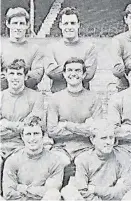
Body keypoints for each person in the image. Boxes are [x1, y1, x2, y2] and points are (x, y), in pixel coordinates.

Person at [47, 57, 103, 166]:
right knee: (56, 163)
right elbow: (52, 131)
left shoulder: (94, 98)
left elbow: (97, 130)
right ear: (64, 74)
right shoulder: (55, 99)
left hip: (86, 147)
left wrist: (66, 125)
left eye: (77, 70)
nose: (73, 74)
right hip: (61, 147)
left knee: (85, 163)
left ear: (84, 74)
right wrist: (84, 128)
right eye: (70, 70)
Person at [0, 59, 44, 194]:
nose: (15, 77)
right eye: (11, 73)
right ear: (5, 75)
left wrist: (6, 124)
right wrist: (19, 126)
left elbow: (31, 126)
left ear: (25, 77)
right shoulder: (1, 97)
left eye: (19, 74)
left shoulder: (36, 97)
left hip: (23, 144)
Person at [61, 120, 131, 201]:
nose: (108, 142)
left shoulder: (123, 158)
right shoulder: (83, 159)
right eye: (103, 138)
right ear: (93, 140)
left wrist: (95, 189)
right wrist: (115, 189)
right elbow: (82, 191)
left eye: (111, 138)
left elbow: (124, 191)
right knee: (68, 190)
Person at [2, 116, 64, 201]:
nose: (32, 138)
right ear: (22, 136)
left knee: (54, 195)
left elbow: (50, 191)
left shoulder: (55, 161)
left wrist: (21, 188)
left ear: (43, 135)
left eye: (36, 134)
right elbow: (8, 194)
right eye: (28, 134)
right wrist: (36, 192)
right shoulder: (12, 160)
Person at [45, 7, 97, 93]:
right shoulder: (51, 48)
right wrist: (78, 69)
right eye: (66, 23)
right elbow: (50, 72)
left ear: (78, 25)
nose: (69, 27)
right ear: (60, 25)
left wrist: (63, 70)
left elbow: (88, 75)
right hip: (58, 98)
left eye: (72, 23)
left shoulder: (89, 48)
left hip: (82, 98)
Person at [1, 7, 44, 90]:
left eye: (21, 23)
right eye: (14, 23)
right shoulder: (1, 47)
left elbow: (36, 75)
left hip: (28, 95)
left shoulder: (35, 49)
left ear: (27, 25)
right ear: (8, 24)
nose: (18, 27)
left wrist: (12, 77)